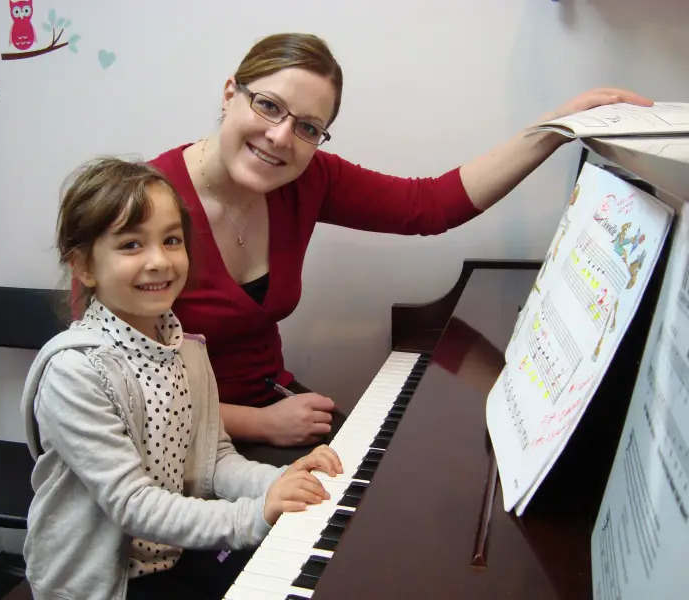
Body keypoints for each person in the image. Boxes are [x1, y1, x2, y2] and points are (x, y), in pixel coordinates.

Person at [146, 33, 651, 464]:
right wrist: (258, 425)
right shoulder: (139, 205)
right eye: (268, 106)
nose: (280, 137)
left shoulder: (306, 178)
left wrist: (552, 129)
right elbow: (116, 385)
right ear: (231, 92)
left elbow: (428, 206)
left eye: (307, 128)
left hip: (272, 406)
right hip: (178, 440)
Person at [22, 158, 343, 600]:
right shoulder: (75, 372)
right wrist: (255, 516)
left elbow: (214, 461)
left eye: (171, 240)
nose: (159, 261)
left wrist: (279, 482)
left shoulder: (186, 349)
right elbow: (132, 504)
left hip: (175, 552)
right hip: (106, 582)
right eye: (131, 245)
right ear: (84, 266)